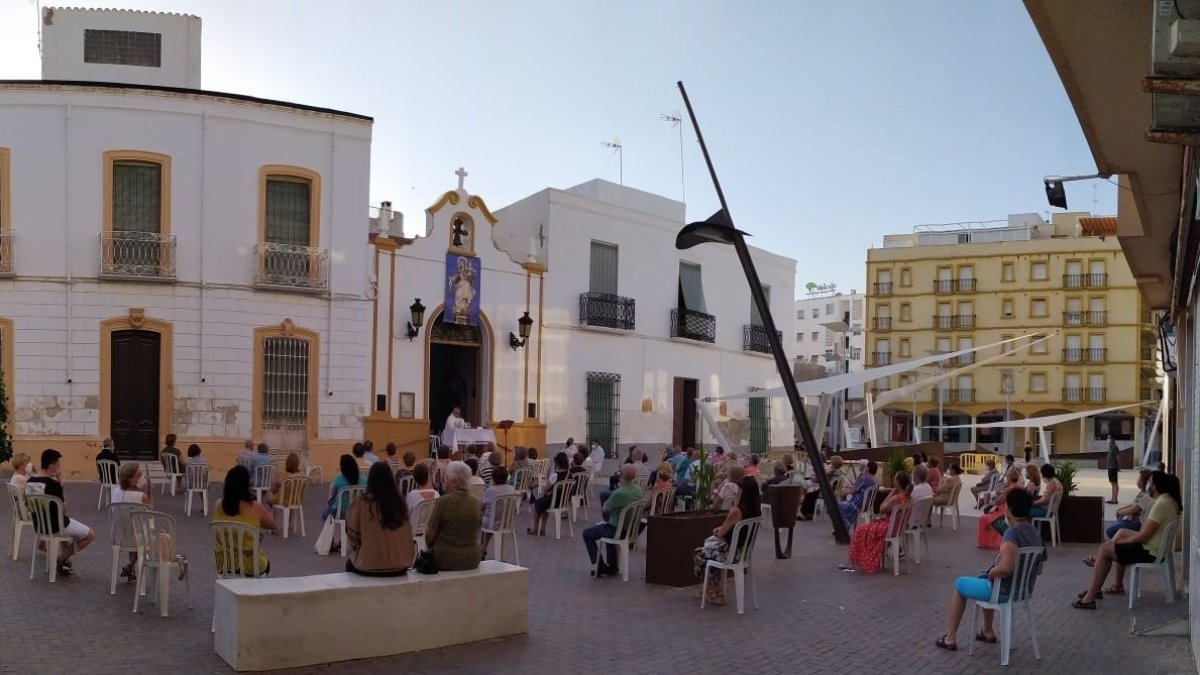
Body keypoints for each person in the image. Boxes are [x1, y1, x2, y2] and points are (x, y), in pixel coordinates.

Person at [935, 489, 1046, 651]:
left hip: (1004, 592)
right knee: (984, 577)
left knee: (960, 584)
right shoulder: (1036, 534)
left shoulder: (1012, 534)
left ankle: (950, 638)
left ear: (1010, 508)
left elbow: (1005, 569)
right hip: (1023, 592)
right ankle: (987, 630)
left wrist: (992, 573)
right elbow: (1039, 569)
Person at [1074, 471, 1181, 608]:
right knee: (1120, 535)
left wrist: (1121, 543)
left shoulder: (1161, 504)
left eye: (1150, 482)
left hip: (1149, 551)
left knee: (1105, 549)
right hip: (1153, 548)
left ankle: (1089, 598)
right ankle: (1099, 588)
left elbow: (1144, 536)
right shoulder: (1168, 501)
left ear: (1155, 486)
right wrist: (1120, 542)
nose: (1148, 484)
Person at [26, 449, 95, 576]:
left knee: (67, 530)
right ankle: (61, 558)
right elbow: (63, 509)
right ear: (51, 465)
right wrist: (61, 484)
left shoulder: (30, 481)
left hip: (40, 526)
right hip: (57, 526)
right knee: (90, 535)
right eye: (58, 465)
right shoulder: (54, 484)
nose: (59, 467)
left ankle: (64, 562)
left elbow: (30, 507)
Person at [693, 476, 761, 604]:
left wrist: (717, 531)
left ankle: (713, 589)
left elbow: (721, 533)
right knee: (711, 551)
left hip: (731, 553)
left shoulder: (737, 511)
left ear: (742, 492)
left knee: (701, 553)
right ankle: (712, 588)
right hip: (744, 553)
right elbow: (735, 528)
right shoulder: (756, 511)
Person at [345, 462, 414, 576]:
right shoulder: (400, 503)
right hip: (401, 565)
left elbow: (353, 536)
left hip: (369, 566)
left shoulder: (361, 503)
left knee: (349, 563)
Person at [844, 471, 911, 574]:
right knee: (868, 525)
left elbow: (881, 508)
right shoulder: (909, 497)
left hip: (889, 528)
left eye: (894, 479)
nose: (893, 481)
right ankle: (856, 561)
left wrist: (891, 493)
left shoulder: (896, 498)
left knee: (859, 529)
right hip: (898, 528)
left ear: (898, 483)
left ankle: (851, 562)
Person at [212, 465, 274, 576]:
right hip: (251, 565)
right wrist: (268, 509)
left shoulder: (218, 505)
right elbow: (272, 525)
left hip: (225, 563)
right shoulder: (255, 507)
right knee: (266, 563)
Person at [584, 464, 645, 577]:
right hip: (631, 530)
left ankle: (599, 566)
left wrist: (608, 516)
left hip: (617, 531)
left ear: (621, 475)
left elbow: (605, 509)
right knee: (607, 528)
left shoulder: (619, 493)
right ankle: (612, 566)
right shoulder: (638, 490)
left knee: (587, 533)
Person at [425, 461, 482, 571]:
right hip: (472, 558)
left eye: (446, 478)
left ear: (455, 482)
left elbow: (429, 534)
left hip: (445, 559)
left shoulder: (444, 501)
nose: (444, 481)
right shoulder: (475, 501)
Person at [111, 462, 153, 583]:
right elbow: (151, 511)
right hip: (134, 536)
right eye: (139, 475)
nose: (142, 477)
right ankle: (131, 565)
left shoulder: (116, 491)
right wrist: (150, 491)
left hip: (119, 535)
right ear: (131, 480)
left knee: (135, 529)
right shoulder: (141, 496)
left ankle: (131, 567)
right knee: (148, 533)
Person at [1100, 467, 1154, 541]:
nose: (1138, 480)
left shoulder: (1146, 496)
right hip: (1131, 518)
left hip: (1137, 521)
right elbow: (1133, 504)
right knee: (1119, 520)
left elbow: (1133, 509)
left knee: (1110, 531)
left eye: (1139, 478)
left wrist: (1120, 512)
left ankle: (1124, 540)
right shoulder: (1142, 493)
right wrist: (1122, 509)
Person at [977, 469, 1022, 549]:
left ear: (1009, 478)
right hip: (1014, 511)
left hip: (1004, 512)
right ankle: (993, 541)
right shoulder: (1019, 487)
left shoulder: (1008, 489)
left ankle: (988, 542)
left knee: (983, 518)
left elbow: (999, 501)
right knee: (988, 516)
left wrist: (996, 497)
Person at [530, 452, 571, 536]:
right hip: (564, 502)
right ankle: (542, 528)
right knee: (544, 503)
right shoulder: (570, 475)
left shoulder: (555, 475)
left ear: (557, 463)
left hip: (553, 502)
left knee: (537, 504)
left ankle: (536, 528)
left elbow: (545, 489)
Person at [480, 466, 516, 556]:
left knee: (481, 519)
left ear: (493, 478)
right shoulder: (512, 489)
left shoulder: (490, 491)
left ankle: (481, 548)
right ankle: (483, 548)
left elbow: (482, 507)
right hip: (507, 522)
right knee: (489, 519)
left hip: (492, 522)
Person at [322, 455, 368, 521]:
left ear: (342, 467)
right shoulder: (365, 480)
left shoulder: (338, 480)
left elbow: (332, 498)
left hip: (341, 513)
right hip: (359, 513)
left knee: (324, 514)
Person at [799, 455, 846, 520]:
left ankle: (804, 514)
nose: (829, 464)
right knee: (812, 494)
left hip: (825, 492)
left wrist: (814, 475)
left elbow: (817, 479)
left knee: (810, 495)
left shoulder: (829, 472)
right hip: (831, 491)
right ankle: (809, 513)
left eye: (831, 463)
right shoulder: (839, 472)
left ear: (833, 464)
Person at [837, 461, 879, 530]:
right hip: (867, 504)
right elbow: (858, 488)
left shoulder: (864, 478)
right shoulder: (875, 481)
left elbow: (853, 491)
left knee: (838, 506)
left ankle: (843, 527)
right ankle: (844, 526)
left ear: (868, 468)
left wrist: (843, 491)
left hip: (858, 503)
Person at [1106, 435, 1120, 504]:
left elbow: (1117, 457)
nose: (1108, 439)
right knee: (1113, 483)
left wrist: (1118, 467)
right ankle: (1113, 498)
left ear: (1112, 439)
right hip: (1110, 467)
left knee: (1114, 483)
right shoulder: (1110, 447)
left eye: (1109, 438)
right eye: (1108, 438)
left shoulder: (1115, 447)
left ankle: (1114, 500)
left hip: (1113, 467)